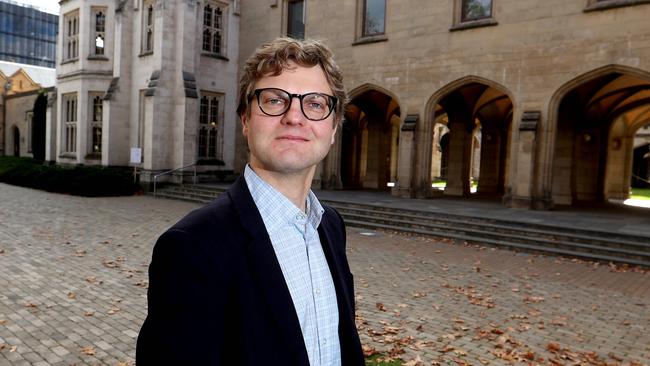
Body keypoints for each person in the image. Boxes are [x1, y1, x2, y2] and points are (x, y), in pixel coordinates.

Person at [136, 38, 364, 365]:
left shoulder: (330, 226)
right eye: (274, 100)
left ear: (332, 128)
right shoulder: (191, 248)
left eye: (314, 103)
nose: (294, 117)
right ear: (246, 120)